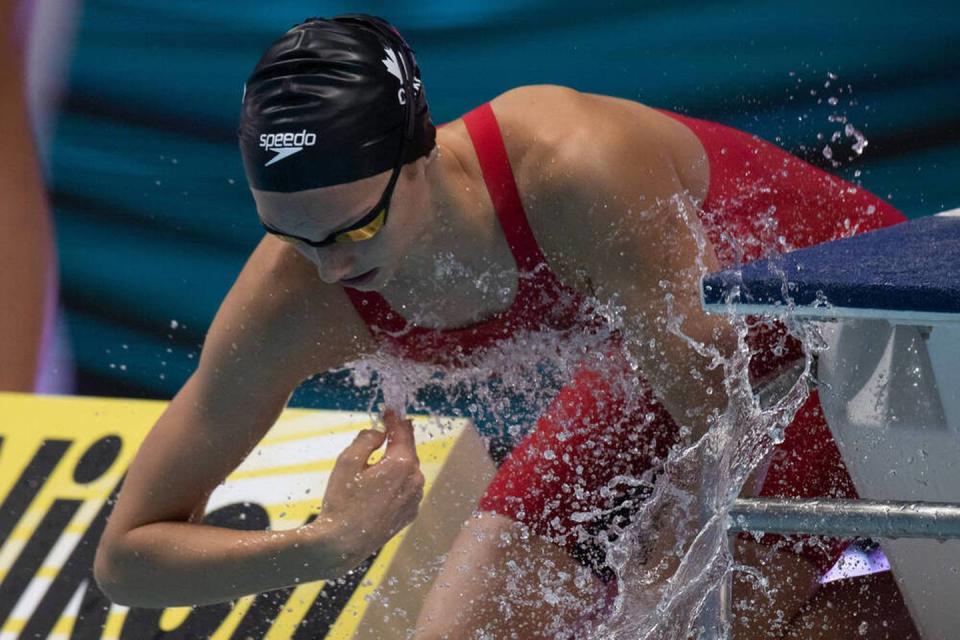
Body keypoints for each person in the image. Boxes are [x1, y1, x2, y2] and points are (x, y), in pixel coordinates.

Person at [95, 15, 920, 639]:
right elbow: (126, 561)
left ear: (420, 153)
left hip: (862, 336)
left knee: (679, 618)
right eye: (291, 236)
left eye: (354, 230)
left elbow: (723, 425)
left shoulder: (571, 170)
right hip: (669, 359)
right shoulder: (295, 293)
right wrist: (322, 545)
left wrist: (644, 593)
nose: (331, 269)